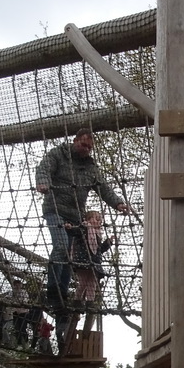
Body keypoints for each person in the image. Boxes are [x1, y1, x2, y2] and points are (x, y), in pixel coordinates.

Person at [35, 129, 127, 342]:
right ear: (75, 140)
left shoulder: (90, 167)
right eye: (83, 145)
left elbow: (103, 187)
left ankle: (63, 291)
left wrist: (117, 203)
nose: (86, 150)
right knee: (60, 245)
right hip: (55, 210)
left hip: (75, 215)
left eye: (89, 147)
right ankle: (53, 290)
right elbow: (45, 167)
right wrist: (43, 182)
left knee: (70, 254)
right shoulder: (59, 154)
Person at [68, 209, 111, 306]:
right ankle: (77, 301)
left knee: (93, 282)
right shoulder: (84, 228)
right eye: (96, 218)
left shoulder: (98, 234)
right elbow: (76, 232)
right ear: (88, 219)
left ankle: (90, 302)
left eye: (100, 220)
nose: (99, 221)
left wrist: (109, 242)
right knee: (83, 282)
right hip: (82, 260)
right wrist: (70, 228)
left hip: (95, 262)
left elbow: (99, 250)